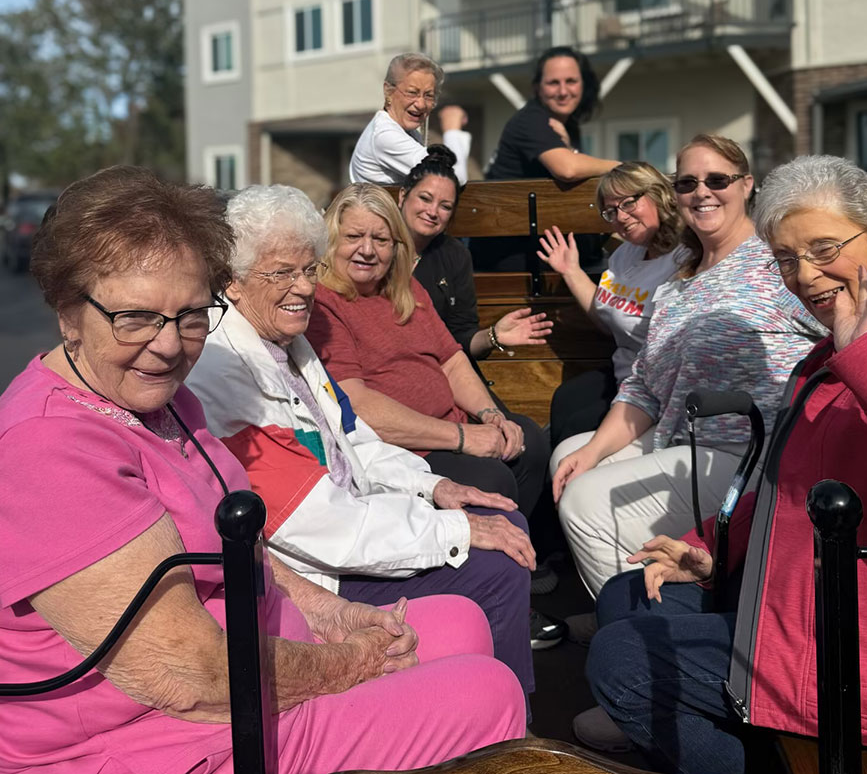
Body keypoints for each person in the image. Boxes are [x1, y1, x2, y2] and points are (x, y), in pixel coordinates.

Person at [0, 167, 525, 774]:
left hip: (246, 658)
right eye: (136, 317)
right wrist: (348, 664)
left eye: (192, 315)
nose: (170, 345)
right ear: (69, 311)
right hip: (161, 734)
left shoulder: (166, 401)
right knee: (487, 694)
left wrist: (334, 615)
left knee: (459, 623)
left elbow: (242, 550)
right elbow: (189, 677)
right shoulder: (50, 447)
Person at [585, 155, 867, 773]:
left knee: (623, 660)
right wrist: (712, 548)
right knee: (630, 596)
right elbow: (785, 480)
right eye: (787, 260)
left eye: (823, 248)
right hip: (807, 592)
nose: (805, 275)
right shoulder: (829, 346)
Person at [187, 183, 534, 697]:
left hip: (354, 527)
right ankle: (507, 731)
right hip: (318, 573)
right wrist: (450, 530)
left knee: (505, 517)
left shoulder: (291, 344)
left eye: (309, 270)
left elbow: (353, 440)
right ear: (231, 282)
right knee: (498, 564)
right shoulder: (223, 371)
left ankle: (474, 698)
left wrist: (434, 487)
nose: (304, 288)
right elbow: (315, 523)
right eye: (282, 272)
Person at [550, 135, 825, 598]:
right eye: (687, 183)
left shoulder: (775, 263)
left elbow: (843, 330)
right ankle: (645, 601)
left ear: (746, 185)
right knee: (567, 457)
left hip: (753, 451)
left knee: (584, 502)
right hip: (685, 438)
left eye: (717, 180)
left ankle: (645, 625)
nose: (702, 192)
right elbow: (643, 387)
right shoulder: (678, 283)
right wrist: (593, 451)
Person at [307, 183, 550, 522]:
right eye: (353, 237)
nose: (367, 250)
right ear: (332, 238)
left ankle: (524, 555)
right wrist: (464, 438)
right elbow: (357, 404)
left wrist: (490, 414)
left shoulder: (404, 286)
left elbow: (451, 360)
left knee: (530, 442)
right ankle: (488, 563)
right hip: (403, 449)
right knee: (491, 479)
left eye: (381, 240)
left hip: (452, 426)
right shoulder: (323, 303)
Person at [537, 162, 686, 451]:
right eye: (611, 211)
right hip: (623, 375)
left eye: (629, 203)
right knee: (566, 400)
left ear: (657, 195)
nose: (621, 217)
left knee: (575, 426)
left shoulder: (687, 256)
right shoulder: (624, 256)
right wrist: (571, 271)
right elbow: (610, 323)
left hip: (657, 390)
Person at [399, 146, 553, 362]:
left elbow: (462, 336)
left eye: (445, 206)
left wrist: (493, 336)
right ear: (403, 196)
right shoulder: (376, 246)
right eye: (425, 198)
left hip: (442, 366)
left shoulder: (455, 255)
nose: (432, 212)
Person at [487, 46, 619, 182]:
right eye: (553, 83)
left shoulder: (569, 124)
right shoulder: (531, 120)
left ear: (584, 84)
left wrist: (571, 151)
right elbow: (568, 170)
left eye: (571, 81)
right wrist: (622, 167)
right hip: (505, 202)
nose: (563, 92)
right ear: (538, 88)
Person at [350, 52, 471, 186]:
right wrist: (452, 130)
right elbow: (452, 179)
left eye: (429, 96)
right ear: (388, 91)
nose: (421, 104)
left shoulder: (404, 131)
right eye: (412, 93)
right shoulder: (385, 135)